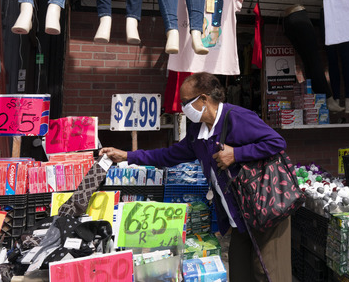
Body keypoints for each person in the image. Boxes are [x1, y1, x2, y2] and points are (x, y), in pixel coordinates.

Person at [100, 72, 291, 281]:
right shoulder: (197, 133)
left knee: (268, 272)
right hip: (240, 215)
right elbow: (168, 155)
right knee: (239, 272)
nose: (183, 108)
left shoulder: (237, 117)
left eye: (186, 102)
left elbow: (276, 142)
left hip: (266, 208)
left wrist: (236, 154)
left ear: (203, 99)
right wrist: (127, 155)